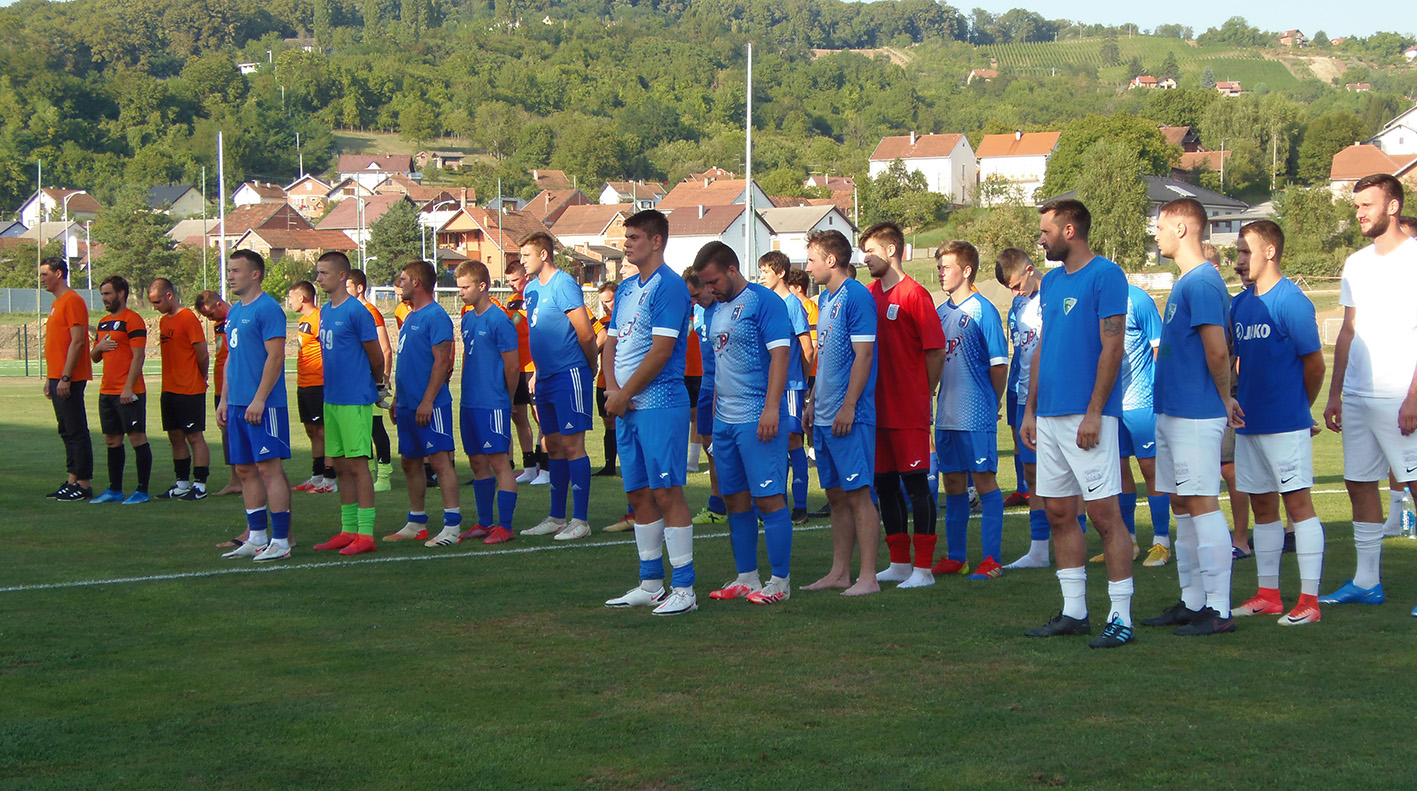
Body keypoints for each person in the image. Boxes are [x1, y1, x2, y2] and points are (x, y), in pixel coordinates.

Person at [1019, 199, 1136, 648]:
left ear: (1070, 230)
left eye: (1046, 230)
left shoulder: (1107, 275)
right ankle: (1074, 612)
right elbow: (1044, 347)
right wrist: (1030, 409)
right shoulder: (1049, 282)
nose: (1040, 238)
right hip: (1048, 415)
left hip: (1088, 416)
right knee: (1059, 512)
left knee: (1106, 515)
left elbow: (1112, 347)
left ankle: (1121, 617)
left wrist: (1095, 410)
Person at [1139, 198, 1241, 637]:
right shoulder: (1188, 282)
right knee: (1183, 504)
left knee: (1200, 503)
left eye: (1160, 226)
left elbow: (1218, 350)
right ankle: (1192, 600)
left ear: (1181, 228)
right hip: (1175, 411)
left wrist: (1223, 399)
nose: (1155, 234)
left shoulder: (1201, 283)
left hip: (1196, 414)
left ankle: (1218, 609)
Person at [1321, 174, 1417, 611]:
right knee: (1358, 483)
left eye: (1367, 205)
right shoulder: (1357, 262)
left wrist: (1415, 397)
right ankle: (1365, 582)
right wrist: (1336, 391)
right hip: (1357, 395)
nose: (1359, 212)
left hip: (1400, 395)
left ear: (1392, 207)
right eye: (1356, 205)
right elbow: (1348, 329)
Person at [1227, 221, 1327, 626]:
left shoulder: (1293, 302)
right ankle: (1268, 594)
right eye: (1238, 253)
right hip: (1249, 422)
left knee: (1298, 506)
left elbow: (1315, 364)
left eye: (1246, 252)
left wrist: (1299, 409)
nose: (1239, 261)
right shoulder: (1240, 303)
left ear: (1269, 251)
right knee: (1262, 507)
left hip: (1284, 422)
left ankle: (1310, 601)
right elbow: (1236, 360)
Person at [602, 211, 700, 614]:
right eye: (626, 237)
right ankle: (650, 582)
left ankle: (685, 589)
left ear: (657, 241)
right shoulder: (625, 289)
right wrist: (611, 388)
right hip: (626, 405)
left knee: (666, 492)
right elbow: (609, 343)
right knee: (638, 493)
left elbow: (661, 351)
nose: (627, 243)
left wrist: (624, 393)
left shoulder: (671, 288)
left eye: (635, 237)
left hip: (659, 404)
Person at [690, 241, 794, 606]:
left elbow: (781, 356)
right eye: (705, 283)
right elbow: (719, 369)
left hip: (758, 416)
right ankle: (747, 577)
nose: (710, 289)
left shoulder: (765, 303)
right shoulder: (713, 312)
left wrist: (771, 409)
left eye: (714, 281)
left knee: (768, 499)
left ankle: (780, 582)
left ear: (732, 270)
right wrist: (716, 418)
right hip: (725, 420)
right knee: (734, 500)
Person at [861, 222, 946, 588]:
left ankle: (923, 569)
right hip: (874, 409)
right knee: (884, 486)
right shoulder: (868, 294)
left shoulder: (915, 295)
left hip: (907, 409)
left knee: (916, 485)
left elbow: (936, 349)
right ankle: (898, 562)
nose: (865, 258)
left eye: (871, 251)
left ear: (892, 250)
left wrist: (923, 390)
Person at [799, 229, 881, 596]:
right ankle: (839, 572)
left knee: (859, 494)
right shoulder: (828, 299)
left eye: (812, 259)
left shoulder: (856, 297)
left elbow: (863, 356)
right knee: (835, 495)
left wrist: (848, 405)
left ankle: (868, 577)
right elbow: (825, 361)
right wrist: (813, 402)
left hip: (851, 415)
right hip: (825, 415)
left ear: (831, 260)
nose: (807, 266)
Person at [929, 241, 1009, 580]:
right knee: (954, 484)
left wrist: (992, 401)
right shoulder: (939, 312)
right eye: (939, 267)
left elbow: (999, 363)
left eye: (946, 267)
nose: (941, 273)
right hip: (946, 414)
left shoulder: (983, 310)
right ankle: (957, 557)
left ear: (967, 270)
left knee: (986, 483)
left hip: (976, 413)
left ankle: (991, 560)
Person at [518, 232, 598, 540]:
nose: (522, 260)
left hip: (569, 373)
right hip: (547, 376)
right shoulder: (531, 290)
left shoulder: (563, 284)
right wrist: (538, 370)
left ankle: (580, 520)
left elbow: (586, 334)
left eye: (526, 254)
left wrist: (590, 366)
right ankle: (555, 516)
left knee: (571, 445)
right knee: (552, 445)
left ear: (543, 255)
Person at [217, 250, 294, 561]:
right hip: (236, 404)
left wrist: (259, 399)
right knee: (245, 470)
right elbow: (230, 359)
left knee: (268, 469)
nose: (230, 275)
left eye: (236, 270)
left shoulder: (268, 309)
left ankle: (281, 541)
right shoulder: (234, 312)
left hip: (264, 405)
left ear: (255, 274)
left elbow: (275, 357)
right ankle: (257, 536)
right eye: (229, 270)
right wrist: (224, 399)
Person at [307, 252, 386, 555]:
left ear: (342, 276)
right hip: (332, 398)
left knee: (357, 465)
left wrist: (378, 384)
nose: (319, 278)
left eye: (324, 273)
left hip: (354, 399)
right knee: (339, 465)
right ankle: (348, 529)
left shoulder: (357, 311)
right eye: (318, 272)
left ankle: (365, 535)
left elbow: (375, 354)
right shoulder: (326, 310)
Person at [386, 259, 463, 547]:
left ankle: (452, 527)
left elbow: (442, 362)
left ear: (416, 282)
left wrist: (428, 401)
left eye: (403, 279)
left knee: (441, 463)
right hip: (407, 405)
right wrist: (398, 399)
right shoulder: (410, 317)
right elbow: (408, 362)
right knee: (409, 462)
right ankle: (417, 521)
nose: (399, 284)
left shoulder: (435, 316)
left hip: (430, 406)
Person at [454, 259, 519, 545]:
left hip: (493, 403)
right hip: (469, 403)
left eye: (465, 287)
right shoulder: (468, 317)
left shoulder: (499, 319)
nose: (461, 292)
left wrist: (508, 397)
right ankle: (484, 522)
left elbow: (512, 366)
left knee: (499, 462)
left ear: (483, 286)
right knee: (477, 463)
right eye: (459, 287)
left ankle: (505, 526)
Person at [1102, 281, 1165, 565]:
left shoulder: (1137, 299)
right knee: (1118, 468)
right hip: (1112, 404)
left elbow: (1159, 348)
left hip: (1142, 400)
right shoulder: (1097, 300)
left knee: (1151, 468)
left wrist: (1156, 391)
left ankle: (1161, 541)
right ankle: (1128, 541)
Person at [996, 249, 1051, 570]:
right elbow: (1019, 351)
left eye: (1017, 285)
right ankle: (1039, 549)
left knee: (1067, 472)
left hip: (1053, 396)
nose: (1015, 293)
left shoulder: (1054, 293)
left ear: (1030, 270)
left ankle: (1079, 537)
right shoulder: (1017, 304)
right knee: (1031, 473)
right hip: (1021, 396)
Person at [759, 251, 816, 525]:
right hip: (771, 385)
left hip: (791, 385)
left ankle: (801, 506)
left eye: (765, 272)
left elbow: (807, 348)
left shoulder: (792, 304)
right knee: (774, 441)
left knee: (793, 440)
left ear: (780, 273)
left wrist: (801, 382)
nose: (761, 278)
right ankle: (778, 501)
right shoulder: (766, 303)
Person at [1204, 242, 1251, 557]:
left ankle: (1241, 540)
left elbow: (1237, 354)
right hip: (1201, 401)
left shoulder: (1229, 306)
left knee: (1230, 470)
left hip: (1227, 398)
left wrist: (1233, 393)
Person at [89, 275, 153, 505]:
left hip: (129, 392)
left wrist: (128, 388)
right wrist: (99, 347)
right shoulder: (103, 322)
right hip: (107, 391)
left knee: (137, 439)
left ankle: (142, 491)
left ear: (121, 294)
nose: (104, 299)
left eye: (107, 294)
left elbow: (139, 356)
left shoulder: (133, 320)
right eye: (102, 294)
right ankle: (114, 490)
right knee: (111, 441)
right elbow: (94, 357)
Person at [149, 278, 212, 500]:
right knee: (175, 436)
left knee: (195, 436)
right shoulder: (164, 321)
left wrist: (201, 375)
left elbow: (202, 353)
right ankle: (182, 483)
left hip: (189, 388)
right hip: (169, 389)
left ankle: (200, 485)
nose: (154, 307)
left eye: (157, 302)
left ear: (169, 295)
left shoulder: (187, 318)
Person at [40, 257, 94, 500]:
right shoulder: (57, 303)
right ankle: (72, 479)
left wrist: (65, 377)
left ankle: (83, 484)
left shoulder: (72, 300)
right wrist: (50, 378)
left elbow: (78, 340)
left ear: (59, 273)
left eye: (45, 274)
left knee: (76, 430)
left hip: (69, 378)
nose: (41, 279)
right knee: (66, 430)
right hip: (57, 376)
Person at [346, 269, 397, 492]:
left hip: (371, 382)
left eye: (347, 286)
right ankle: (366, 473)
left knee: (376, 428)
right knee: (361, 428)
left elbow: (385, 349)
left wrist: (382, 381)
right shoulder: (352, 311)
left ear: (359, 288)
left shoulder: (370, 312)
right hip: (357, 382)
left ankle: (384, 475)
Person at [686, 270, 728, 528]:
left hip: (727, 388)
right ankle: (718, 505)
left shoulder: (727, 308)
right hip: (706, 384)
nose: (694, 300)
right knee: (710, 447)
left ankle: (752, 504)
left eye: (697, 294)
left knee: (732, 448)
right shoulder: (700, 310)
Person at [287, 281, 334, 495]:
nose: (289, 301)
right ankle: (316, 477)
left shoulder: (318, 318)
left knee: (324, 431)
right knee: (311, 430)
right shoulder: (303, 320)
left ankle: (330, 479)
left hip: (318, 383)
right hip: (304, 383)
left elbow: (327, 350)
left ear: (302, 298)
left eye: (291, 297)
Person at [195, 290, 241, 497]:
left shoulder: (237, 318)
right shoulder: (218, 325)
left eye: (210, 314)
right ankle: (235, 480)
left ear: (219, 305)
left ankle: (250, 479)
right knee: (227, 432)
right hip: (220, 386)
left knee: (241, 432)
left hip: (236, 386)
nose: (209, 319)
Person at [504, 261, 546, 484]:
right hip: (516, 367)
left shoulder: (536, 295)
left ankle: (545, 467)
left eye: (515, 281)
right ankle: (529, 466)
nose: (511, 285)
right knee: (518, 416)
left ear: (526, 278)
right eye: (509, 281)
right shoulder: (511, 301)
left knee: (540, 416)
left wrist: (539, 367)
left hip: (534, 366)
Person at [593, 281, 619, 478]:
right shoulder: (602, 322)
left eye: (609, 300)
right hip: (603, 380)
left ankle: (626, 464)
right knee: (608, 423)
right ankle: (609, 465)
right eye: (603, 302)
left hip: (623, 381)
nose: (607, 305)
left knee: (624, 423)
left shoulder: (627, 319)